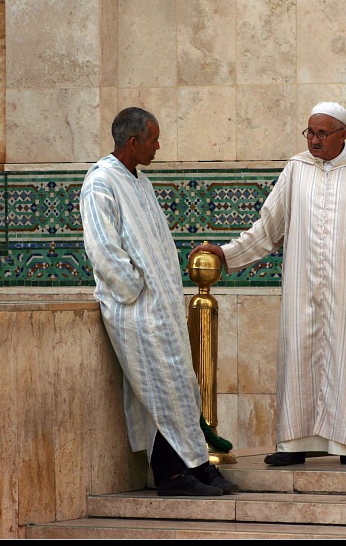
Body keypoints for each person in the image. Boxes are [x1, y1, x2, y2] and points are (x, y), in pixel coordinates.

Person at [190, 101, 346, 466]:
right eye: (309, 132)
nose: (314, 140)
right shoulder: (296, 169)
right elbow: (268, 227)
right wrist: (226, 253)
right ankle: (294, 445)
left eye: (322, 133)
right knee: (301, 354)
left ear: (344, 135)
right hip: (302, 285)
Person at [79, 106, 239, 496]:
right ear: (133, 142)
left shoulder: (140, 181)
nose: (157, 146)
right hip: (135, 309)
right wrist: (135, 292)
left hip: (160, 309)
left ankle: (197, 466)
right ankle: (171, 475)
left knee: (179, 386)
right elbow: (103, 248)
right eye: (153, 140)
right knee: (160, 390)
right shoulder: (101, 183)